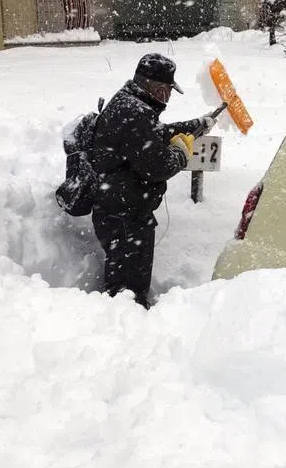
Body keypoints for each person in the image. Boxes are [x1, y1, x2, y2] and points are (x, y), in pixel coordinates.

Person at [88, 53, 216, 306]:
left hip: (119, 211)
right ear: (156, 89)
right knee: (127, 293)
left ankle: (123, 321)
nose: (168, 98)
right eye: (167, 91)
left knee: (124, 285)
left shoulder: (130, 104)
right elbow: (158, 166)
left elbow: (155, 134)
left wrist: (195, 126)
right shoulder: (136, 113)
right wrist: (181, 152)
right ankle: (126, 330)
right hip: (125, 217)